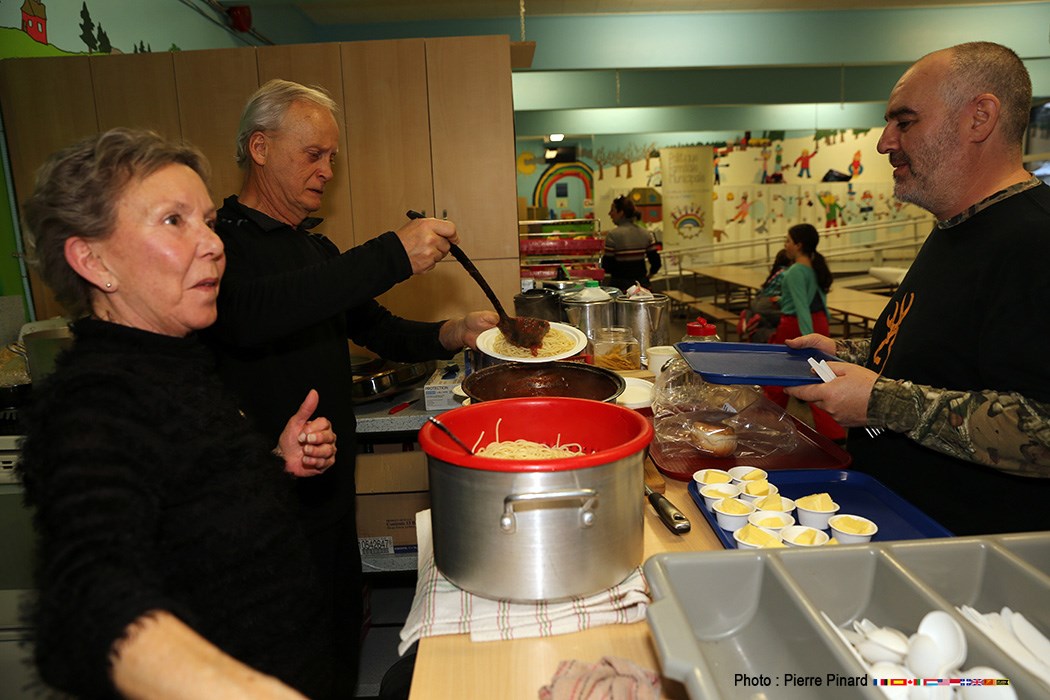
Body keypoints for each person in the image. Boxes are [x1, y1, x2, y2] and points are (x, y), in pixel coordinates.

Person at [18, 128, 341, 698]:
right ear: (92, 260)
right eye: (174, 221)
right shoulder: (95, 401)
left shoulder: (175, 365)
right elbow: (89, 600)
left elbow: (185, 515)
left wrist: (274, 465)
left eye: (208, 222)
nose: (214, 244)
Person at [202, 79, 498, 695]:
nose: (327, 170)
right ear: (259, 148)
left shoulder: (316, 247)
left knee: (337, 641)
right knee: (280, 661)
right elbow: (257, 312)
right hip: (258, 496)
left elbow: (379, 329)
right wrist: (392, 253)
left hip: (329, 488)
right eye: (313, 154)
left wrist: (456, 332)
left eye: (332, 156)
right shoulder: (222, 245)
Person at [785, 41, 1050, 535]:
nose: (885, 142)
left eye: (905, 122)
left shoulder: (1035, 240)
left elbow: (1043, 426)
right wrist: (846, 352)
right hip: (892, 515)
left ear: (980, 118)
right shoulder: (956, 228)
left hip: (969, 557)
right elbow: (944, 352)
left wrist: (882, 400)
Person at [770, 224, 833, 344]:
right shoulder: (816, 267)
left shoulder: (796, 271)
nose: (785, 245)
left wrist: (808, 339)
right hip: (821, 324)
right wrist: (783, 300)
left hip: (797, 327)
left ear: (798, 245)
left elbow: (802, 307)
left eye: (788, 241)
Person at [601, 195, 662, 292]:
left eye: (612, 210)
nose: (609, 214)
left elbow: (607, 266)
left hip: (620, 289)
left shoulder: (613, 235)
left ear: (621, 213)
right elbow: (656, 263)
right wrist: (648, 276)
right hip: (642, 288)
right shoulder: (646, 234)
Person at [738, 248, 790, 343]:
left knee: (767, 320)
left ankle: (750, 321)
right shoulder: (789, 272)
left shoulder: (777, 271)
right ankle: (754, 324)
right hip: (769, 303)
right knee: (787, 316)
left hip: (758, 300)